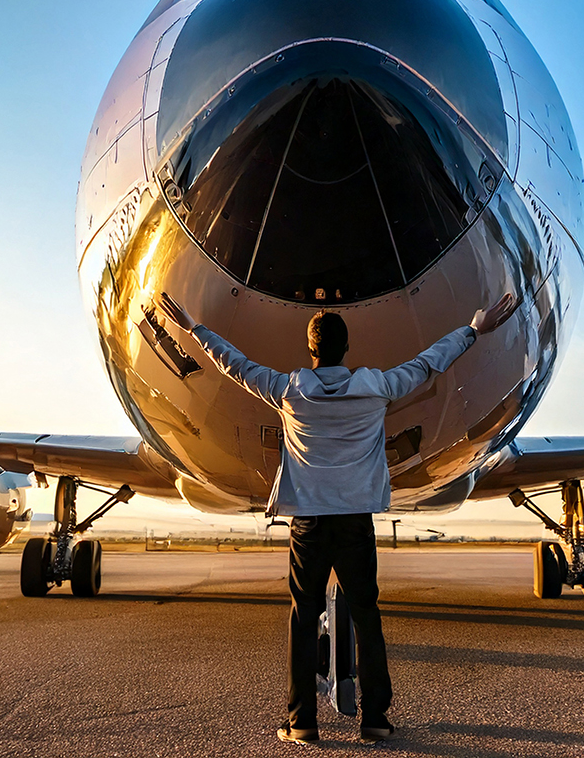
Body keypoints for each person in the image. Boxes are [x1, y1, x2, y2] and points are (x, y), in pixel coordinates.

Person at [158, 289, 520, 744]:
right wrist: (473, 329)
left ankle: (301, 721)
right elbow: (431, 362)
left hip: (308, 523)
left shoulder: (288, 390)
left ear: (311, 349)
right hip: (353, 522)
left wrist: (194, 329)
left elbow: (234, 365)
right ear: (346, 349)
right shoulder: (378, 388)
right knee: (367, 617)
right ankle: (374, 720)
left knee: (302, 617)